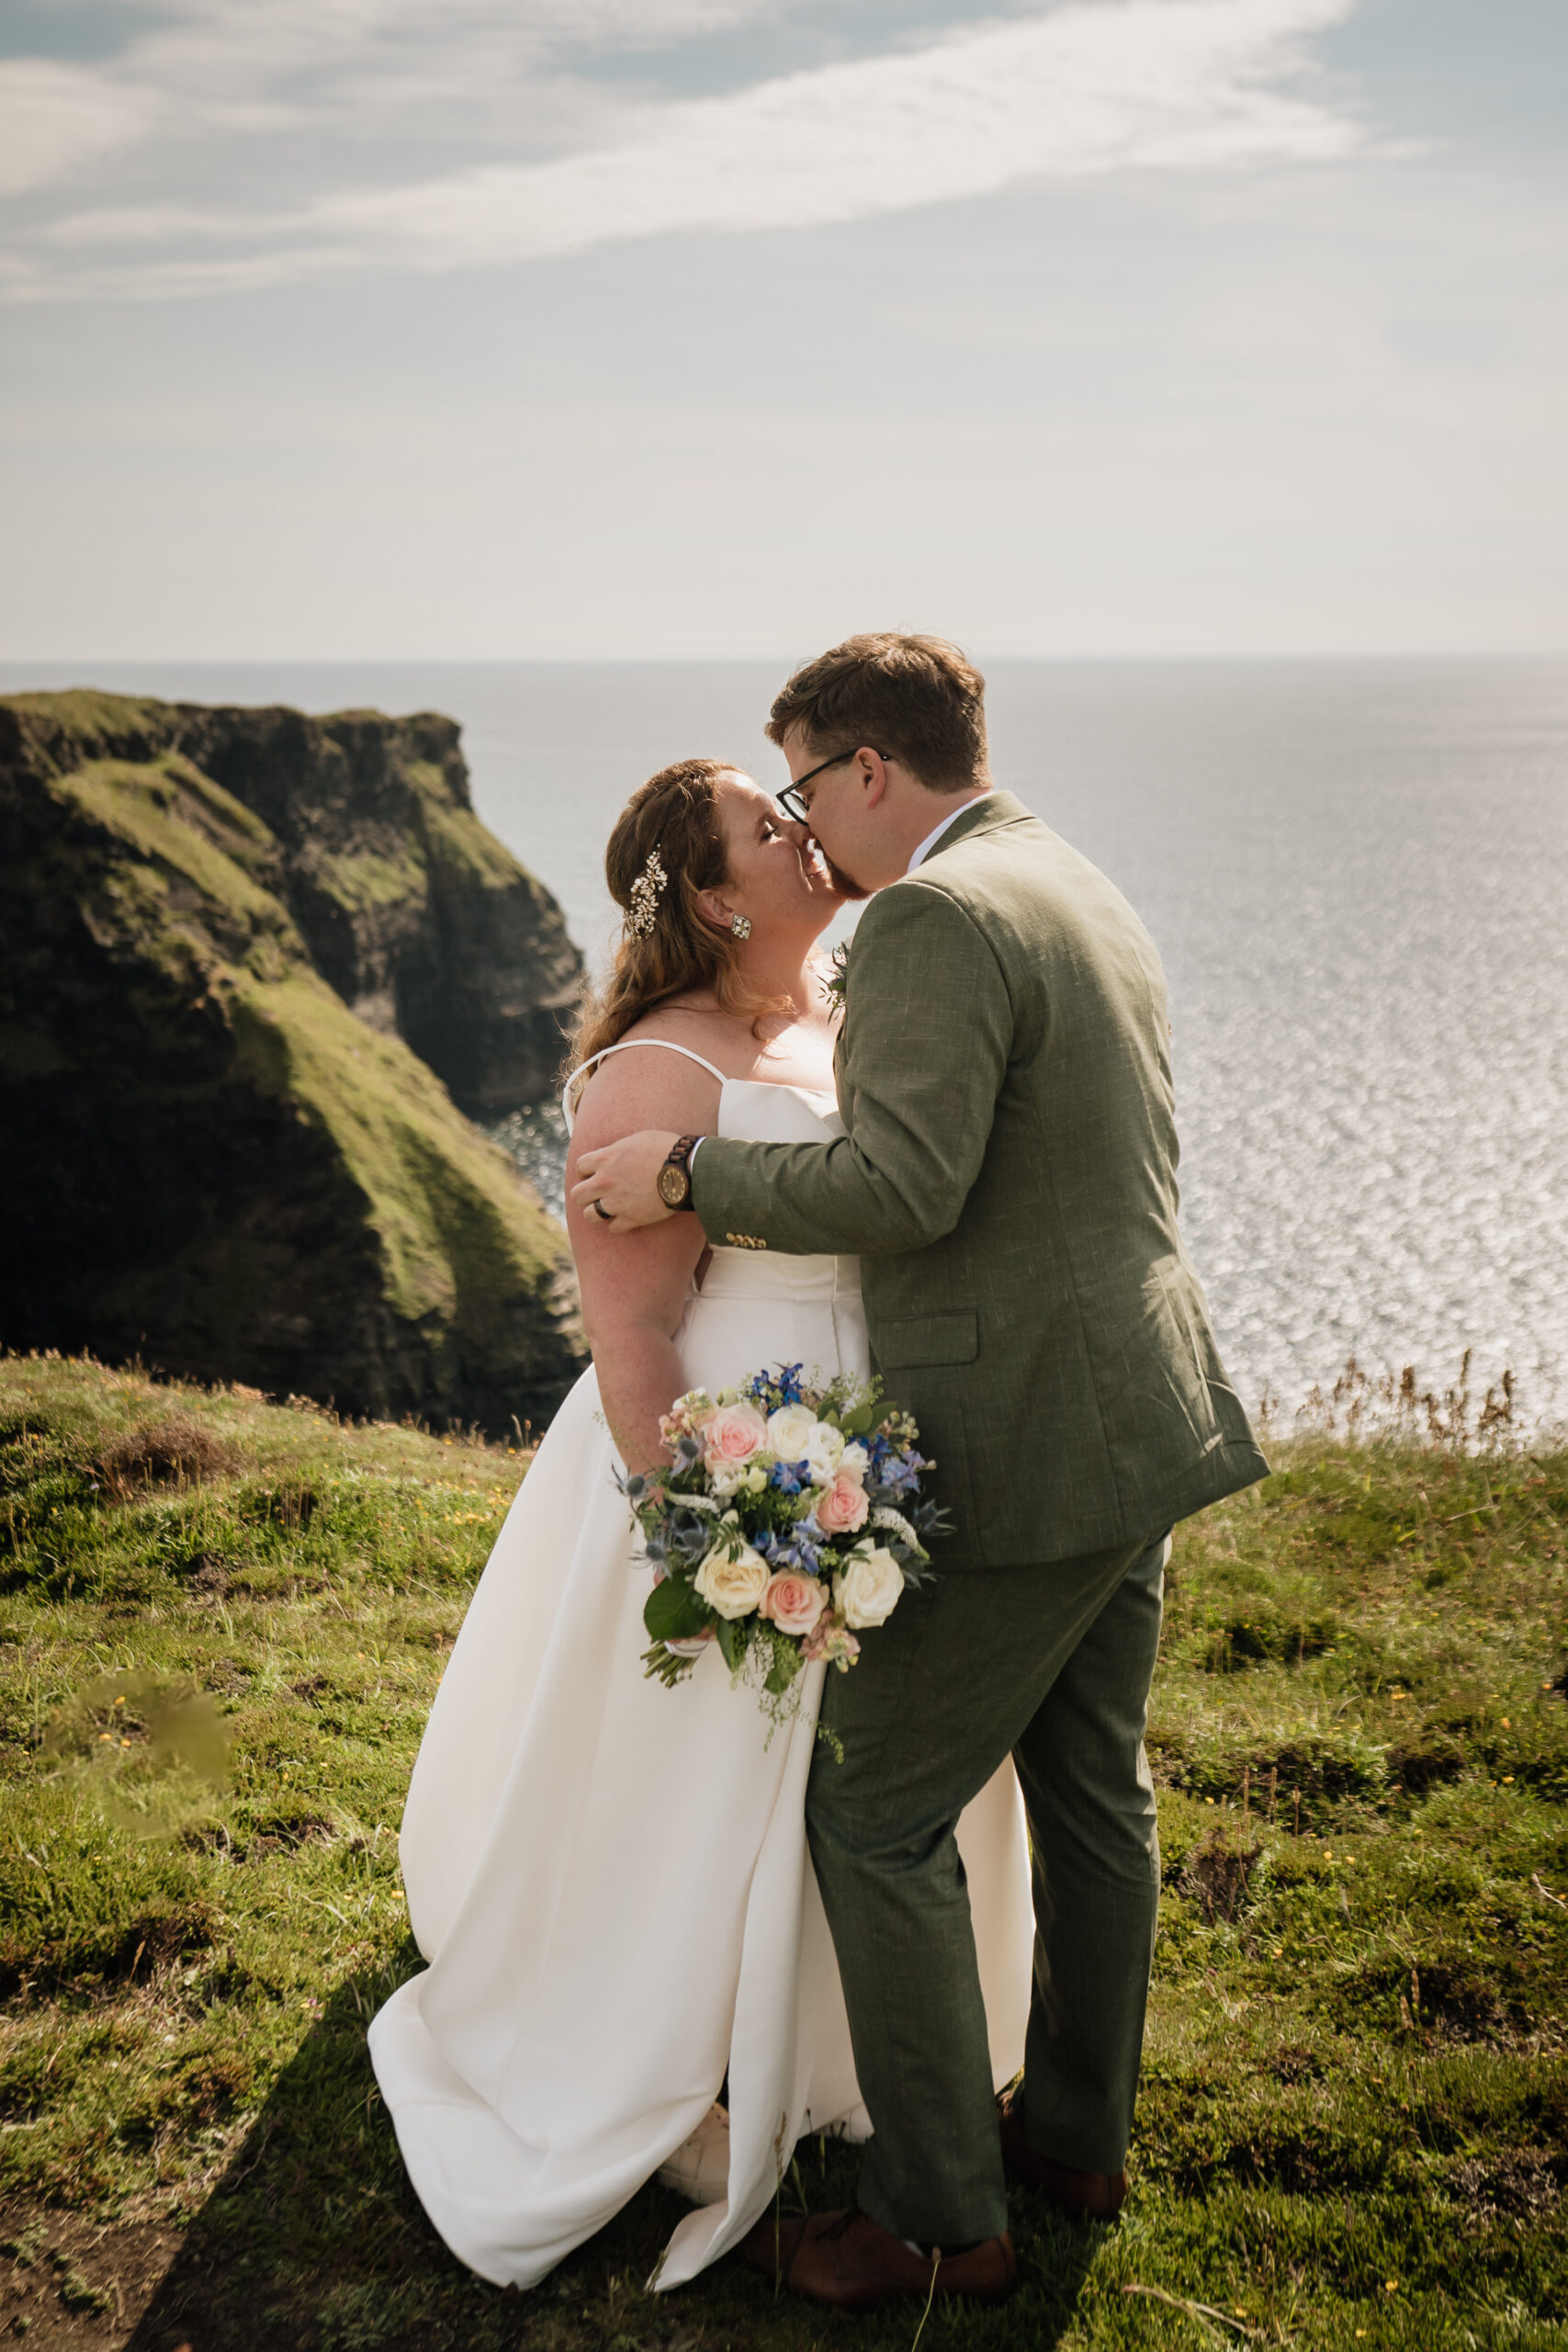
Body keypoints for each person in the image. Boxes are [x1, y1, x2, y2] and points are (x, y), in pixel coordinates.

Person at [573, 633, 1270, 2313]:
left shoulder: (939, 921)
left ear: (869, 770)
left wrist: (686, 1166)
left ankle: (942, 2219)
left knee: (877, 1812)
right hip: (1138, 1416)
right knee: (1096, 1794)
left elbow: (903, 1187)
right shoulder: (1067, 876)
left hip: (1026, 1437)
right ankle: (1079, 2139)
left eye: (809, 785)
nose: (810, 828)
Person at [367, 754, 1033, 2297]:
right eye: (767, 823)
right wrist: (723, 1533)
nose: (804, 831)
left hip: (877, 1453)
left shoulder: (846, 1019)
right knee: (704, 1785)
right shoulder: (655, 1073)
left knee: (879, 1779)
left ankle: (860, 2052)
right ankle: (668, 2044)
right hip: (735, 1470)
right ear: (722, 893)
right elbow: (636, 1335)